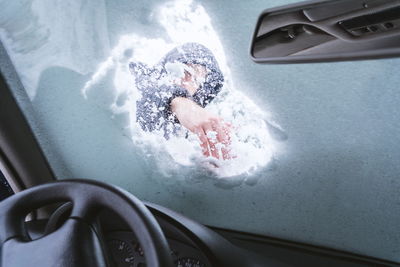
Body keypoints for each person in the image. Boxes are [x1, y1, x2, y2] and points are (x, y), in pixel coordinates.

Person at [129, 43, 231, 160]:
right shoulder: (140, 77)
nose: (186, 82)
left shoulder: (189, 130)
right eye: (185, 71)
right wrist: (178, 102)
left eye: (196, 80)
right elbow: (144, 87)